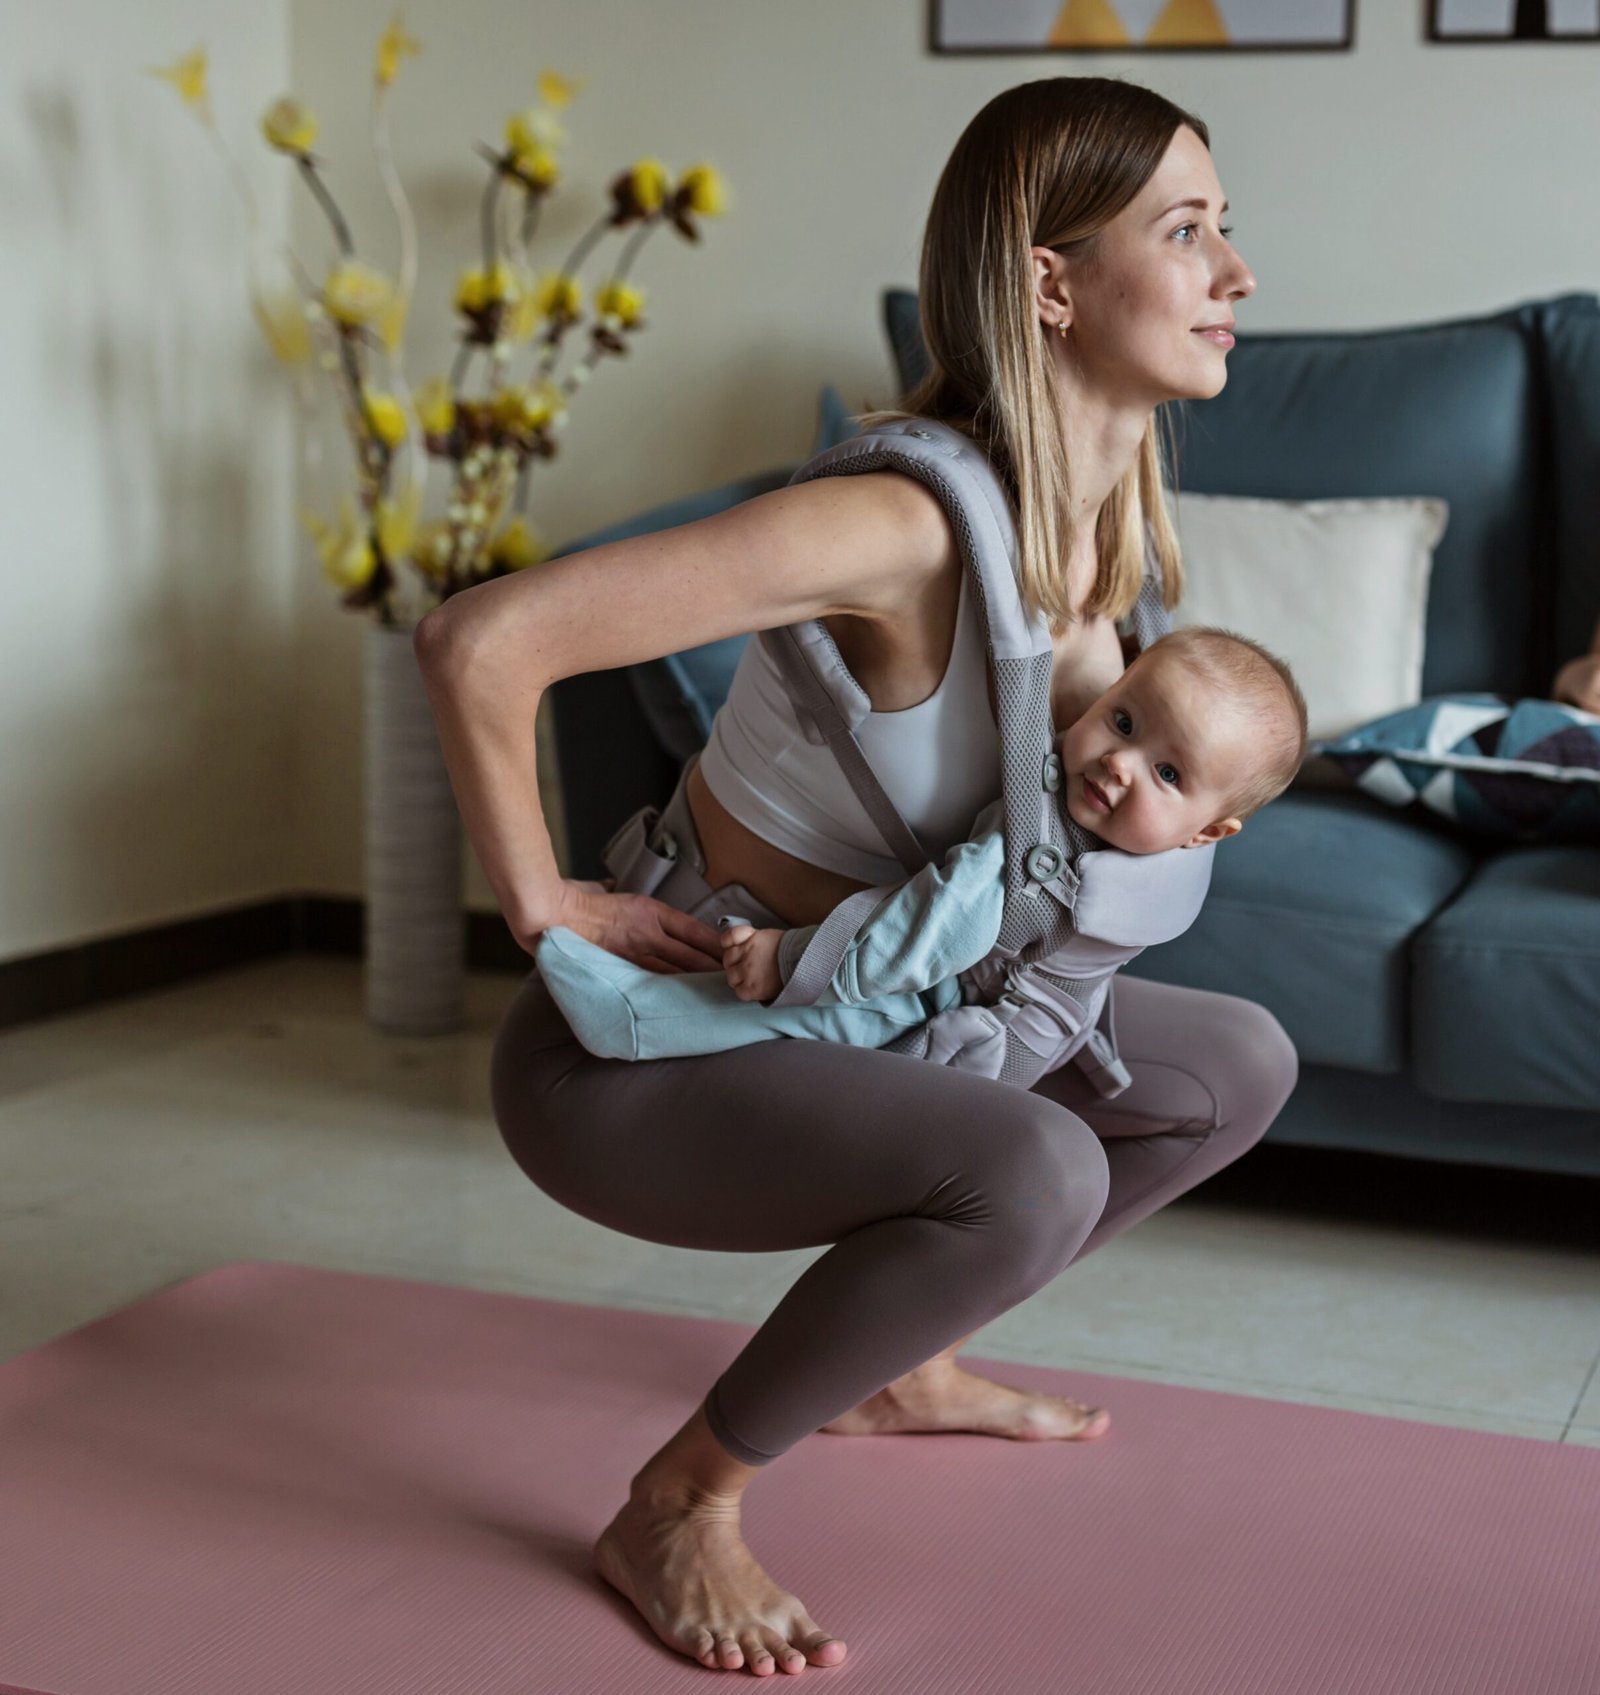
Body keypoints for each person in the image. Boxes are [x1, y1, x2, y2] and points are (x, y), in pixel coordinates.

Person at [417, 78, 1290, 1679]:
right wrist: (542, 902)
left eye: (1225, 228)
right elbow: (482, 638)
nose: (1237, 272)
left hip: (864, 1031)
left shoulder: (1102, 545)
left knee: (1234, 1062)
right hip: (658, 1057)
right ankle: (680, 1500)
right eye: (1188, 231)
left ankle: (904, 1357)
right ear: (1050, 282)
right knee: (1038, 1167)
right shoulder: (898, 524)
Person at [534, 627, 1308, 1070]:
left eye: (1167, 774)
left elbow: (926, 930)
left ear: (1209, 833)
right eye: (1124, 722)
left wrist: (790, 959)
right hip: (1041, 1033)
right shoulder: (1155, 860)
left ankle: (636, 1018)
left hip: (972, 1043)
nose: (1118, 764)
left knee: (833, 1018)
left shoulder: (1041, 855)